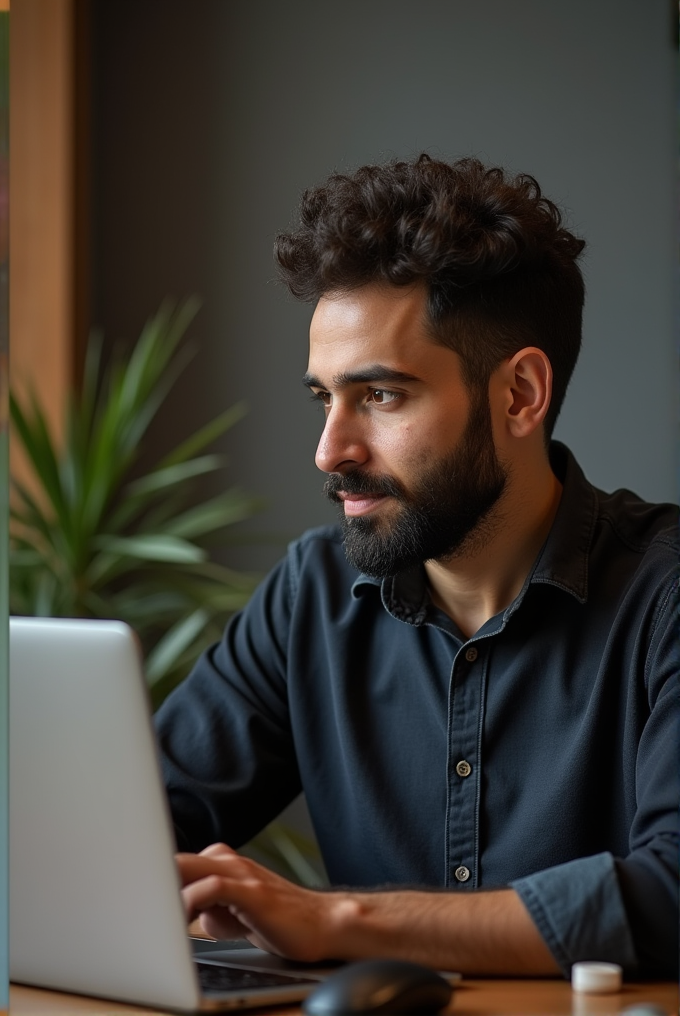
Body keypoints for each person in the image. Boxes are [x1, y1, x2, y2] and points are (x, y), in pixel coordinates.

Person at [156, 155, 678, 978]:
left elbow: (671, 895)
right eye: (324, 397)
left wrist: (342, 920)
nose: (331, 449)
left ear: (519, 395)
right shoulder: (312, 593)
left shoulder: (665, 596)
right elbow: (140, 821)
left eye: (382, 396)